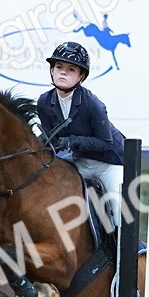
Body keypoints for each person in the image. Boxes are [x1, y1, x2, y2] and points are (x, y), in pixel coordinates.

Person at [36, 41, 127, 228]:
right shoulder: (44, 101)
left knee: (118, 210)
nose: (62, 72)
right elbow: (50, 140)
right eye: (59, 67)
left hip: (109, 162)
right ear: (51, 70)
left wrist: (72, 142)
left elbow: (105, 143)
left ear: (81, 77)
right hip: (79, 160)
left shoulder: (93, 104)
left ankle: (124, 254)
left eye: (71, 69)